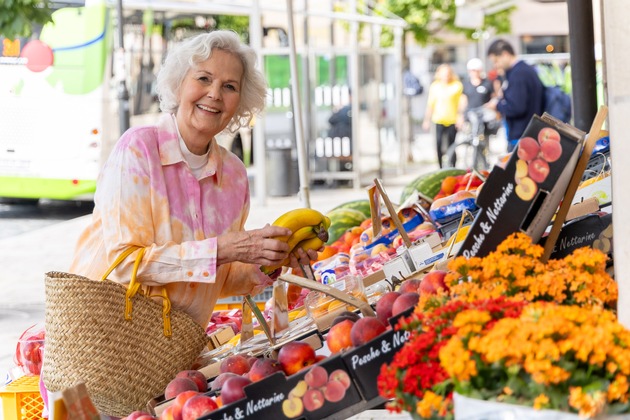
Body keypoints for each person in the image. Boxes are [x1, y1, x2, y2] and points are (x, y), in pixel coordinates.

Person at [69, 30, 316, 329]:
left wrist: (269, 260)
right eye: (203, 79)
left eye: (229, 86)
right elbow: (123, 264)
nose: (214, 93)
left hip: (173, 351)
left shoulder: (235, 176)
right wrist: (223, 249)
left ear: (239, 102)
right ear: (179, 83)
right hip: (104, 337)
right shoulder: (139, 150)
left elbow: (216, 280)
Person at [485, 39, 545, 152]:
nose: (495, 65)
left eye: (496, 60)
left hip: (522, 136)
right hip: (527, 134)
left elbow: (517, 107)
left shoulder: (518, 74)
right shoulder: (523, 70)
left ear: (505, 54)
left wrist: (497, 105)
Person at [422, 63, 463, 167]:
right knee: (439, 145)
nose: (446, 76)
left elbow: (461, 103)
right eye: (443, 74)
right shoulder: (435, 86)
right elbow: (430, 104)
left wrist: (460, 117)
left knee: (452, 145)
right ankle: (440, 167)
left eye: (447, 73)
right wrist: (426, 120)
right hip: (439, 119)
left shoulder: (457, 85)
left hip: (452, 120)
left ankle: (452, 167)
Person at [457, 58, 497, 139]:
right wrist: (460, 116)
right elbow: (463, 101)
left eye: (476, 70)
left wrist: (491, 106)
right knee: (469, 137)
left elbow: (494, 98)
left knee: (484, 139)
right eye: (472, 70)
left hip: (484, 116)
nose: (474, 72)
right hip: (470, 115)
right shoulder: (466, 84)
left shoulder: (487, 83)